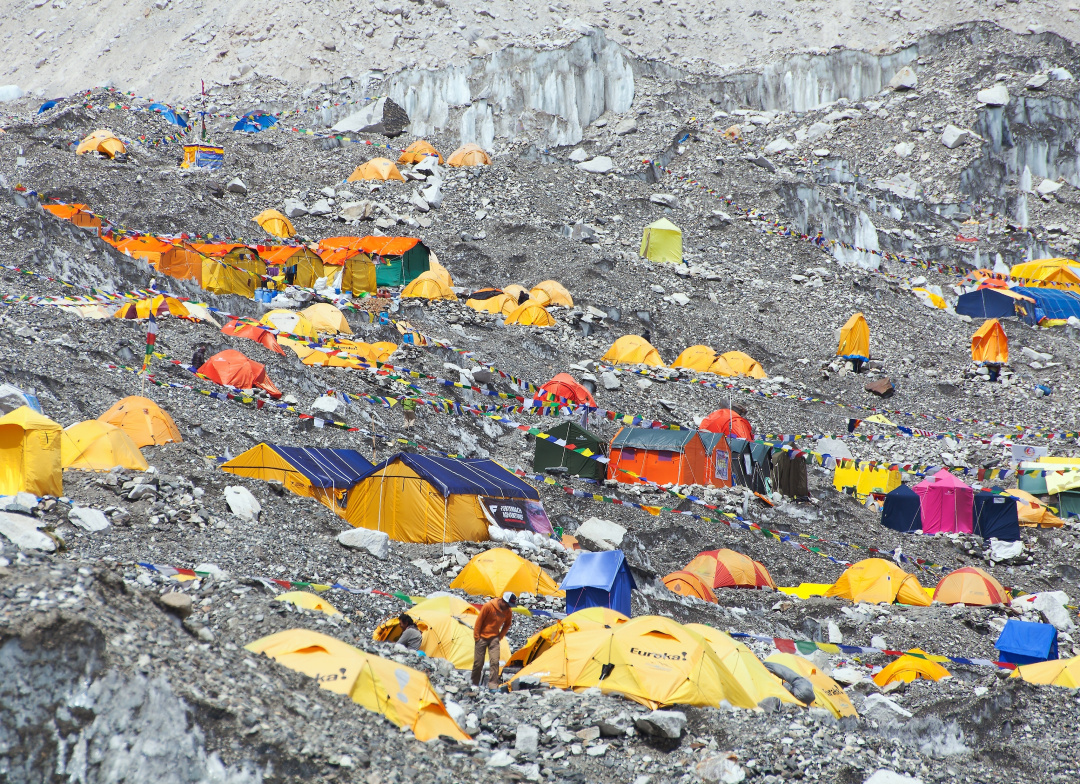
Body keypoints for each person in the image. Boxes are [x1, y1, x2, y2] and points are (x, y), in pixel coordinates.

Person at [472, 592, 516, 689]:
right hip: (482, 637)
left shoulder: (508, 611)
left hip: (494, 639)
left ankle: (493, 685)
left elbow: (507, 624)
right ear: (502, 600)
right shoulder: (488, 606)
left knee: (495, 662)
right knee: (478, 663)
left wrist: (500, 636)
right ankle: (474, 683)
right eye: (507, 604)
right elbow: (479, 621)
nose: (508, 607)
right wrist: (477, 637)